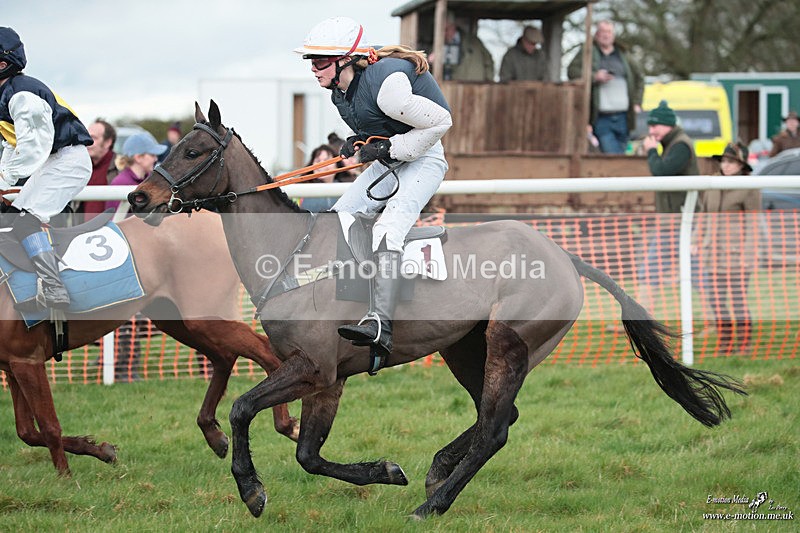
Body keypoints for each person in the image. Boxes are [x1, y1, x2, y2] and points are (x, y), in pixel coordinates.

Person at [296, 16, 452, 361]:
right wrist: (360, 141)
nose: (314, 69)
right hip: (393, 162)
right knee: (340, 218)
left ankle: (381, 324)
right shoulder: (339, 91)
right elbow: (382, 128)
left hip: (425, 160)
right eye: (310, 61)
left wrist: (387, 149)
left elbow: (442, 120)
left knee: (387, 230)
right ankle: (352, 302)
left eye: (320, 61)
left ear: (345, 60)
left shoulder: (388, 86)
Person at [0, 27, 93, 311]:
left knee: (26, 221)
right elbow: (12, 146)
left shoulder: (22, 95)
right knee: (10, 218)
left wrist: (4, 179)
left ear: (3, 64)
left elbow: (33, 147)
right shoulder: (5, 94)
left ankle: (54, 289)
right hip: (54, 161)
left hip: (68, 161)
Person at [694, 142, 760, 355]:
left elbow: (753, 223)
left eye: (731, 161)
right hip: (713, 254)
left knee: (738, 298)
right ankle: (725, 341)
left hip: (737, 255)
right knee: (715, 299)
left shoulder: (749, 187)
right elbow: (703, 215)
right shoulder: (712, 184)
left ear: (741, 165)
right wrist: (696, 239)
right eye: (724, 160)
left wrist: (748, 255)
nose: (726, 165)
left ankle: (744, 343)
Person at [637, 100, 699, 314]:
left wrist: (652, 151)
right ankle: (641, 321)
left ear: (668, 125)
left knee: (699, 277)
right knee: (649, 272)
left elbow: (662, 172)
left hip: (682, 224)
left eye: (655, 126)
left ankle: (714, 320)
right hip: (673, 224)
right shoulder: (673, 144)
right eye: (650, 126)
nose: (651, 131)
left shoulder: (680, 145)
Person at [567, 19, 643, 154]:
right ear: (596, 34)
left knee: (621, 153)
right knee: (611, 155)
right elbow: (572, 71)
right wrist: (594, 76)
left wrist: (637, 102)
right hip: (602, 117)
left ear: (613, 35)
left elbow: (639, 78)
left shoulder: (624, 54)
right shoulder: (588, 51)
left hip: (624, 117)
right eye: (602, 31)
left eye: (609, 32)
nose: (606, 35)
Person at [105, 131, 166, 212]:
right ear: (138, 158)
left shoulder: (151, 179)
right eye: (152, 155)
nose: (156, 159)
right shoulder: (120, 183)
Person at [80, 119, 119, 221]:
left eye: (93, 138)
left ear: (108, 142)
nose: (87, 141)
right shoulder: (80, 168)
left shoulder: (121, 169)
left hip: (111, 232)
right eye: (86, 136)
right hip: (82, 232)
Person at [300, 143, 354, 212]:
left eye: (327, 161)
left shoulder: (349, 189)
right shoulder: (298, 190)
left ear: (337, 165)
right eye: (318, 161)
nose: (322, 164)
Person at [439, 16, 494, 82]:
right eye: (441, 30)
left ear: (453, 26)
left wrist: (489, 81)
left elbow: (488, 60)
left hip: (477, 87)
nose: (444, 33)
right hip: (453, 88)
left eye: (446, 29)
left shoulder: (474, 41)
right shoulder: (439, 45)